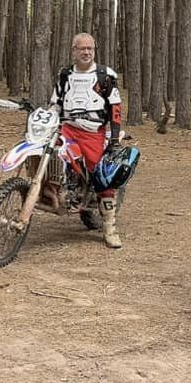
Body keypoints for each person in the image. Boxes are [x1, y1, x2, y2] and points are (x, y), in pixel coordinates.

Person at [49, 33, 125, 249]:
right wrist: (48, 120)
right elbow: (55, 103)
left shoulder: (105, 75)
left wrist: (114, 137)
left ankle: (109, 227)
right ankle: (57, 191)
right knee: (48, 154)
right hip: (68, 129)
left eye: (90, 48)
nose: (86, 52)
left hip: (93, 132)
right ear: (73, 50)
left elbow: (115, 108)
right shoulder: (65, 75)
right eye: (81, 48)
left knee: (101, 175)